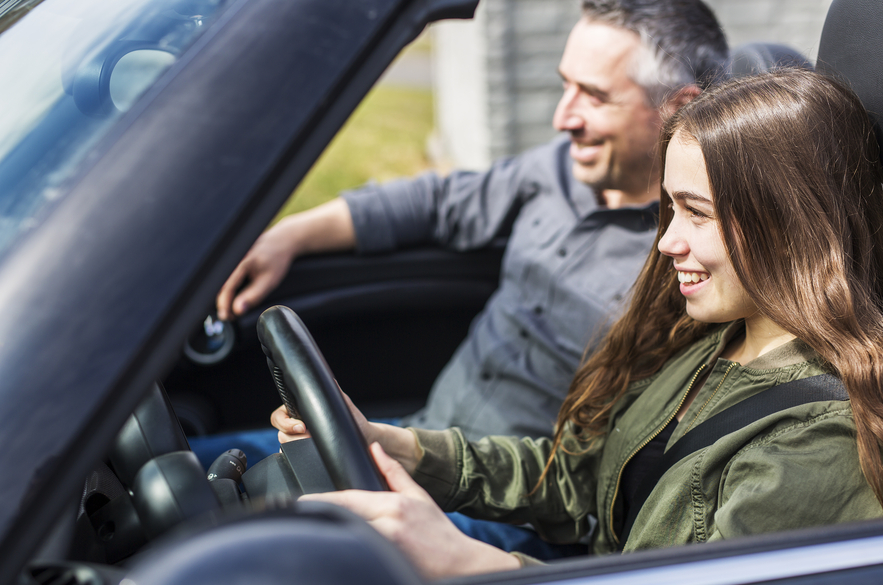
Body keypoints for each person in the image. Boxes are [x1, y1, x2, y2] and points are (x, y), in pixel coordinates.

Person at [274, 68, 883, 579]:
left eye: (697, 213)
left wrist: (474, 563)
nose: (664, 242)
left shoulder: (819, 441)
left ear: (788, 229)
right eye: (669, 209)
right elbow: (577, 483)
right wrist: (392, 441)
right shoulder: (717, 344)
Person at [208, 0, 728, 447]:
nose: (562, 117)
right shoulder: (555, 168)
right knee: (186, 471)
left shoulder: (693, 260)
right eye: (565, 86)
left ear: (679, 109)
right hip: (414, 438)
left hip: (503, 505)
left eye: (594, 96)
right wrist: (287, 236)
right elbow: (435, 202)